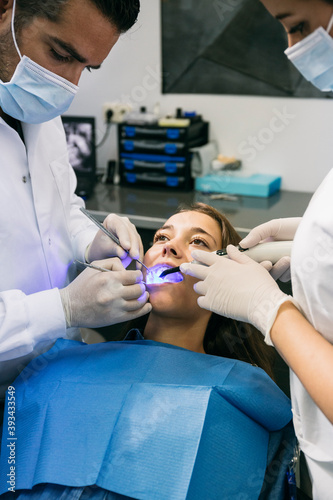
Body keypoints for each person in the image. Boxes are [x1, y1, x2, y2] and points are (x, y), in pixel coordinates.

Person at [0, 204, 295, 499]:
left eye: (198, 242)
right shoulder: (54, 368)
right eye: (161, 238)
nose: (170, 248)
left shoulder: (247, 397)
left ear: (226, 279)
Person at [180, 2, 333, 499]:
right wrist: (315, 239)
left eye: (299, 27)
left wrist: (270, 309)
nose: (292, 50)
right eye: (160, 237)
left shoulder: (246, 396)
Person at [0, 0, 151, 401]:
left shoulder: (36, 102)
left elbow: (60, 207)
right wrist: (64, 308)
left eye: (85, 67)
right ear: (6, 10)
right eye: (61, 54)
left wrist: (94, 238)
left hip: (53, 378)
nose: (67, 83)